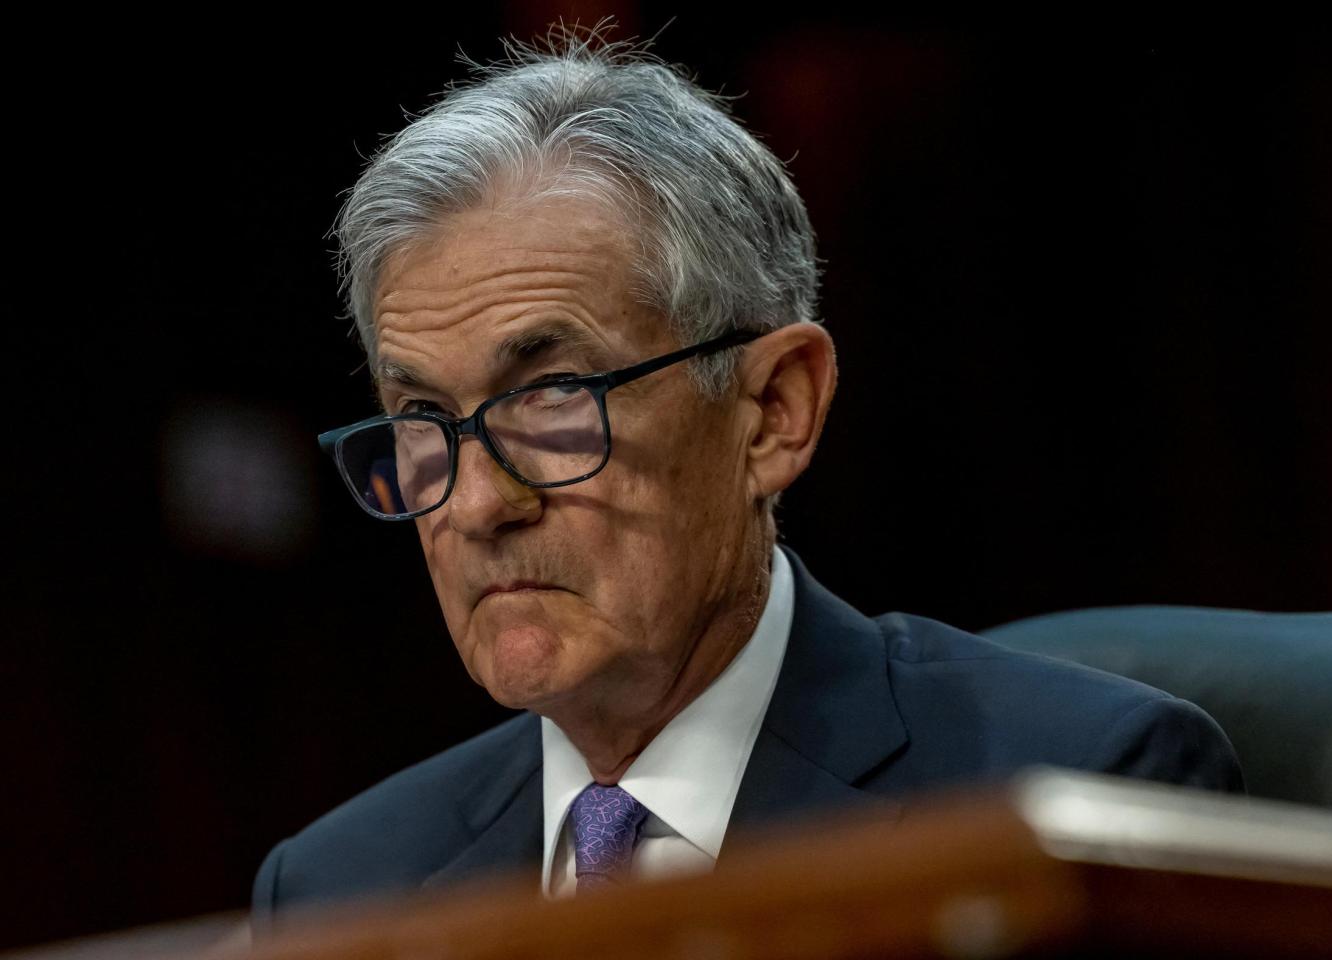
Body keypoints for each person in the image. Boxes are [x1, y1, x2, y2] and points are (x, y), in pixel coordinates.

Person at [253, 36, 1241, 929]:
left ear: (772, 411)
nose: (473, 505)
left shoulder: (1076, 790)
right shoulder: (337, 890)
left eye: (552, 398)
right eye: (424, 422)